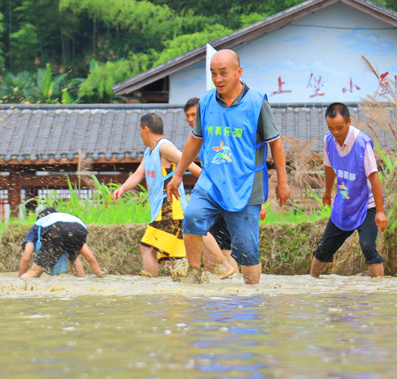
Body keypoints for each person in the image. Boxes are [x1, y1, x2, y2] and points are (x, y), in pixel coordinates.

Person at [168, 50, 290, 284]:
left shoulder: (257, 103)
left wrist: (282, 182)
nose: (218, 79)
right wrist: (177, 175)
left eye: (223, 73)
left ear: (238, 72)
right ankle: (193, 274)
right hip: (211, 181)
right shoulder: (206, 101)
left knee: (247, 252)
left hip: (246, 184)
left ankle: (252, 295)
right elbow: (195, 140)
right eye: (213, 73)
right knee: (192, 216)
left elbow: (276, 144)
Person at [112, 113, 234, 278]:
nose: (140, 134)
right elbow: (138, 174)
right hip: (162, 209)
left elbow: (189, 164)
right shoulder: (149, 152)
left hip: (170, 206)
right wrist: (122, 189)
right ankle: (198, 277)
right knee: (170, 258)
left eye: (140, 130)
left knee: (147, 247)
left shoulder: (164, 147)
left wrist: (213, 185)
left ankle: (151, 285)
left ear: (146, 129)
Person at [309, 103, 387, 277]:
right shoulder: (328, 140)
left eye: (339, 127)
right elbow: (329, 167)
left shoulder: (362, 144)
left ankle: (380, 289)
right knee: (325, 247)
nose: (335, 132)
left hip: (367, 204)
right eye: (331, 128)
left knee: (368, 246)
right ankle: (311, 283)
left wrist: (380, 211)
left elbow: (374, 178)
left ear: (349, 122)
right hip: (344, 203)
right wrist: (327, 191)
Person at [184, 97, 239, 274]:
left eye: (194, 114)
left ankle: (227, 269)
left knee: (201, 227)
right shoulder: (201, 137)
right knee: (221, 243)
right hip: (216, 193)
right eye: (188, 116)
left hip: (220, 192)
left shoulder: (215, 135)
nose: (191, 119)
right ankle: (232, 281)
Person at [19, 207, 102, 278]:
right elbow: (90, 257)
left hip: (56, 231)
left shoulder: (39, 223)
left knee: (34, 272)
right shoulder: (67, 218)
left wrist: (19, 279)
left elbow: (26, 258)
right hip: (80, 228)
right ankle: (82, 280)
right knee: (74, 257)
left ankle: (22, 283)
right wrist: (99, 275)